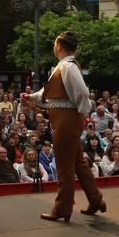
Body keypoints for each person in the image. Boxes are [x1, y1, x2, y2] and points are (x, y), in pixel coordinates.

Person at [24, 31, 106, 222]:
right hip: (65, 119)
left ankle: (62, 208)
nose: (53, 47)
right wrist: (31, 97)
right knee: (78, 164)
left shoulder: (67, 67)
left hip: (65, 121)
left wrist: (82, 114)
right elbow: (49, 94)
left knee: (64, 167)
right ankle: (95, 199)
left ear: (59, 46)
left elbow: (83, 94)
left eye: (54, 44)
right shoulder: (64, 66)